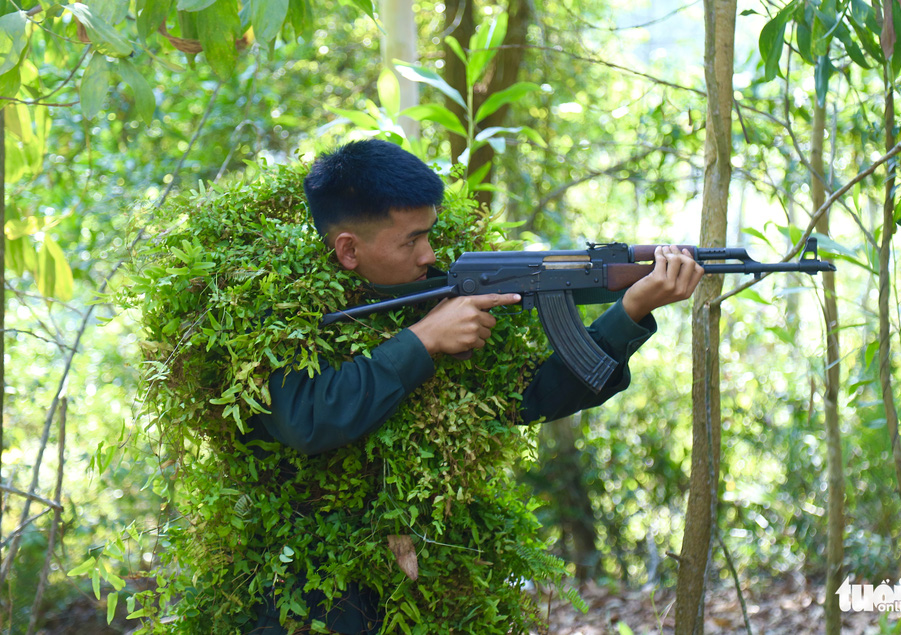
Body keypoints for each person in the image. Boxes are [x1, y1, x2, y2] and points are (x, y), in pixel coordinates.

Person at [245, 139, 703, 634]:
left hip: (425, 585)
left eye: (431, 234)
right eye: (411, 241)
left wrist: (632, 310)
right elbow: (307, 418)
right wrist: (423, 340)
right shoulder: (274, 312)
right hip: (304, 594)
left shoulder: (429, 291)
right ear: (348, 249)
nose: (430, 254)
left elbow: (529, 396)